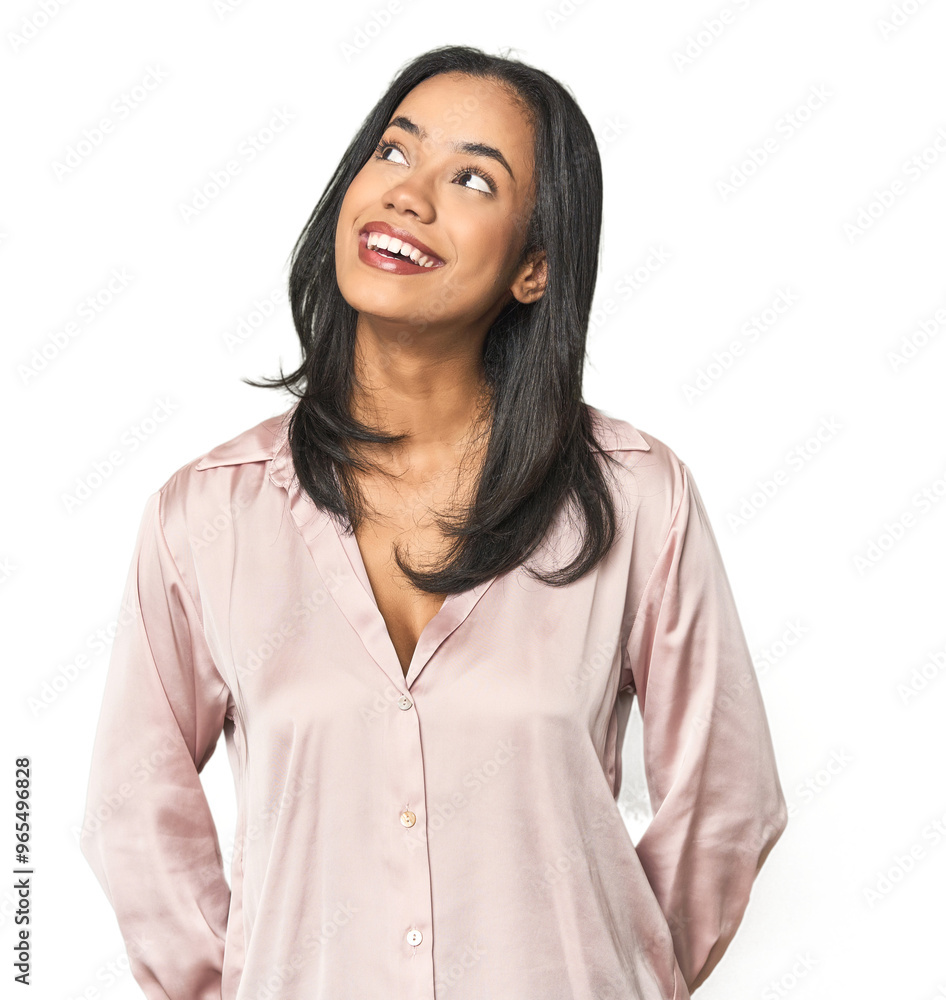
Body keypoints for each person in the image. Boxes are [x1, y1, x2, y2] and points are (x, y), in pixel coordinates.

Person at [78, 43, 788, 1000]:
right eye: (394, 152)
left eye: (472, 179)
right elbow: (131, 809)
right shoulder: (208, 516)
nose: (410, 196)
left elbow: (728, 804)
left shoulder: (638, 500)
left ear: (535, 267)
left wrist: (616, 969)